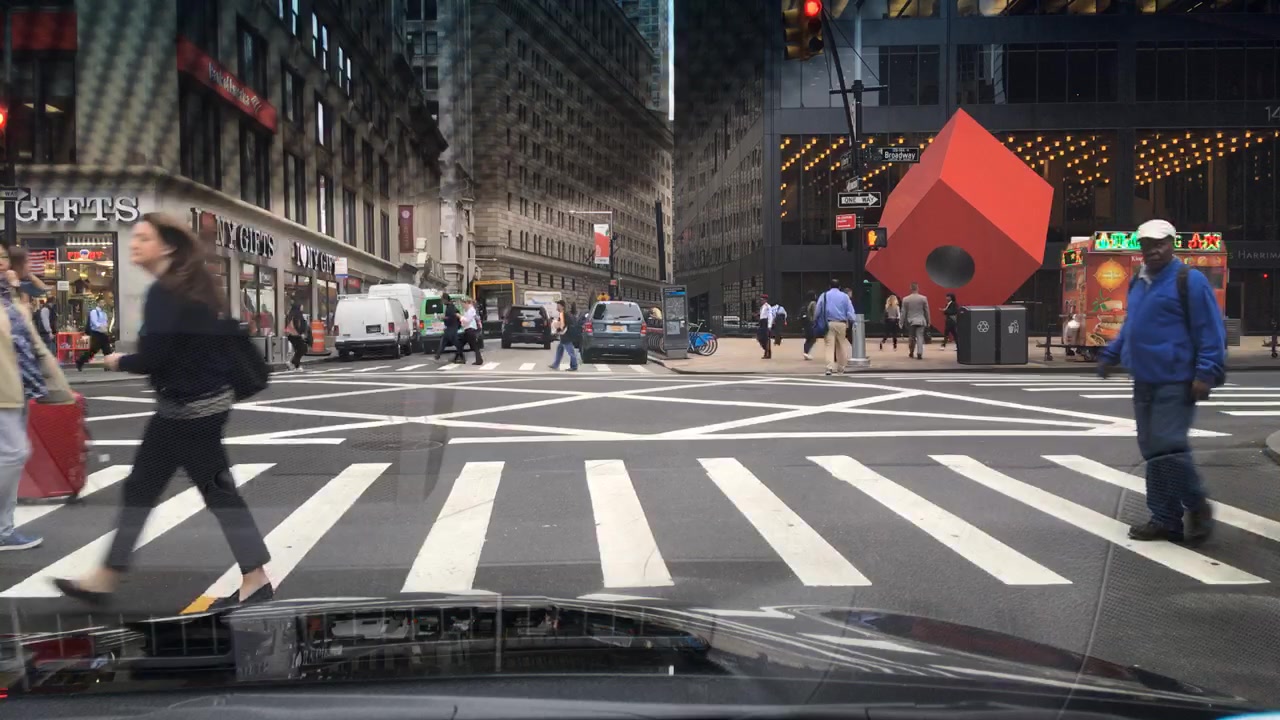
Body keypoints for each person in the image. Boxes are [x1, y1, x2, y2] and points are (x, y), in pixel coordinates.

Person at [54, 212, 273, 608]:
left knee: (212, 492)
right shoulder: (192, 285)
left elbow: (155, 358)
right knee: (149, 487)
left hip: (188, 412)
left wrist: (118, 360)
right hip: (195, 408)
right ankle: (107, 575)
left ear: (167, 246)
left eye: (143, 238)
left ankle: (255, 577)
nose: (134, 244)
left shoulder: (165, 292)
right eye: (134, 237)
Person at [1099, 219, 1225, 545]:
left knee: (1167, 447)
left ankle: (1197, 505)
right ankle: (1165, 519)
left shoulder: (1189, 281)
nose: (1154, 250)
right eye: (1147, 245)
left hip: (1176, 380)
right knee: (1153, 451)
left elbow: (1210, 330)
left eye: (1160, 244)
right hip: (1144, 379)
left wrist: (1206, 373)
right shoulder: (1139, 281)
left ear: (1172, 243)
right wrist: (1112, 353)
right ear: (1140, 248)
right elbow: (1132, 325)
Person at [0, 247, 74, 552]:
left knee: (11, 456)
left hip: (20, 388)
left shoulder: (11, 298)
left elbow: (29, 341)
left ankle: (4, 531)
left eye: (3, 257)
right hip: (3, 392)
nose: (0, 263)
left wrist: (56, 384)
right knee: (14, 454)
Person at [815, 279, 855, 375]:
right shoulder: (845, 296)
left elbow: (818, 309)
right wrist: (853, 321)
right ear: (839, 287)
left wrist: (816, 319)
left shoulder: (824, 295)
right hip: (842, 323)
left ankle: (829, 367)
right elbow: (850, 311)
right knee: (841, 345)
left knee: (829, 346)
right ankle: (841, 368)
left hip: (829, 323)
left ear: (829, 286)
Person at [75, 296, 113, 371]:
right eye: (101, 302)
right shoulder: (94, 312)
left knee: (107, 350)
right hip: (96, 333)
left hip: (103, 334)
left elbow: (105, 322)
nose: (103, 304)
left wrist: (106, 329)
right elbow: (95, 322)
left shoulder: (104, 313)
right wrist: (101, 327)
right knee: (92, 351)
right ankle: (80, 361)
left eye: (103, 302)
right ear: (98, 303)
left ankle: (107, 366)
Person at [549, 300, 580, 371]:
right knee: (560, 349)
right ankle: (555, 364)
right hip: (565, 336)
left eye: (558, 306)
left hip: (566, 336)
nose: (557, 307)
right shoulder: (565, 314)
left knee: (570, 352)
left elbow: (562, 325)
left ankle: (574, 366)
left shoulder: (563, 314)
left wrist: (556, 331)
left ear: (562, 307)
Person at [901, 283, 930, 360]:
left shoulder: (906, 299)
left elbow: (903, 312)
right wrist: (928, 320)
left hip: (911, 321)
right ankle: (919, 353)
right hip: (921, 320)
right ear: (918, 288)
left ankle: (911, 351)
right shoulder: (923, 298)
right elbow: (926, 311)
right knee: (920, 336)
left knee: (911, 337)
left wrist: (901, 322)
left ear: (910, 289)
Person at [283, 299, 309, 370]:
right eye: (301, 306)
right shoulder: (297, 314)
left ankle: (296, 365)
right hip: (296, 334)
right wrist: (301, 333)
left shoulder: (290, 314)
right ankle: (292, 362)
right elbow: (298, 325)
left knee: (299, 349)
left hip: (290, 334)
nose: (302, 307)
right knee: (302, 348)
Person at [434, 293, 460, 361]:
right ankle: (437, 355)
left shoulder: (450, 306)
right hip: (450, 327)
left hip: (452, 327)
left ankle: (461, 355)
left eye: (442, 300)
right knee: (445, 341)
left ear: (445, 299)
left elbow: (451, 317)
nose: (441, 302)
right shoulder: (449, 306)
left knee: (455, 342)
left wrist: (442, 317)